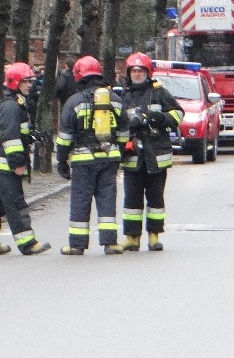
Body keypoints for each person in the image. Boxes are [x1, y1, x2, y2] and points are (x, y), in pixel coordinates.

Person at [55, 55, 128, 255]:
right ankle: (110, 243)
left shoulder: (74, 102)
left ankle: (77, 245)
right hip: (109, 158)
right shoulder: (115, 100)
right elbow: (123, 132)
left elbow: (64, 137)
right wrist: (118, 153)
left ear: (79, 76)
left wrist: (61, 161)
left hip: (83, 161)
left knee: (81, 200)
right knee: (107, 199)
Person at [120, 52, 184, 252]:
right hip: (133, 156)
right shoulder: (124, 96)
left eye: (141, 71)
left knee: (155, 198)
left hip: (155, 154)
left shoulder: (159, 92)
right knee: (132, 199)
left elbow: (178, 112)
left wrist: (160, 118)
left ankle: (154, 237)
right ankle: (132, 238)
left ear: (148, 73)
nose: (137, 74)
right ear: (129, 73)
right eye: (134, 71)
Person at [0, 63, 51, 255]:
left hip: (4, 165)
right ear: (14, 82)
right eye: (25, 81)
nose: (30, 84)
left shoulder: (15, 104)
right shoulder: (11, 106)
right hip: (6, 166)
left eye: (30, 80)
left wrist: (30, 135)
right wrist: (18, 163)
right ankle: (28, 244)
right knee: (15, 204)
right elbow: (10, 138)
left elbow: (17, 132)